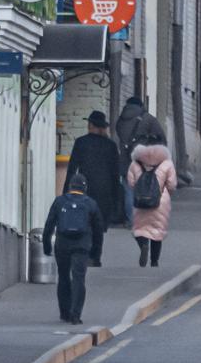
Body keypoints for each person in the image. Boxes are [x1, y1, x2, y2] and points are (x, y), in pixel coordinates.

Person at [42, 175, 106, 323]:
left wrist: (46, 246)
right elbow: (98, 231)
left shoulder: (60, 201)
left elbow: (49, 225)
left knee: (63, 277)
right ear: (85, 188)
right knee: (79, 279)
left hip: (62, 244)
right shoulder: (91, 204)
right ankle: (75, 315)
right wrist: (96, 254)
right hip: (82, 246)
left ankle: (64, 313)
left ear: (70, 186)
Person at [127, 131, 179, 266]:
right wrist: (166, 194)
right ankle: (154, 261)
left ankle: (143, 245)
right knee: (157, 231)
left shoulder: (135, 163)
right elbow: (172, 185)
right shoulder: (167, 163)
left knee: (140, 229)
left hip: (140, 201)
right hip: (160, 201)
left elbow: (131, 183)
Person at [67, 110, 126, 227]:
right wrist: (116, 199)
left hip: (85, 190)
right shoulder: (111, 145)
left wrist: (67, 193)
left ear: (90, 125)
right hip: (105, 192)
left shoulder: (81, 142)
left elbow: (72, 169)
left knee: (85, 224)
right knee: (100, 227)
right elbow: (115, 173)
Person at [114, 96, 164, 169]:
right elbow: (161, 138)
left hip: (125, 162)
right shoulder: (148, 119)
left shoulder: (120, 119)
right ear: (141, 106)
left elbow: (118, 133)